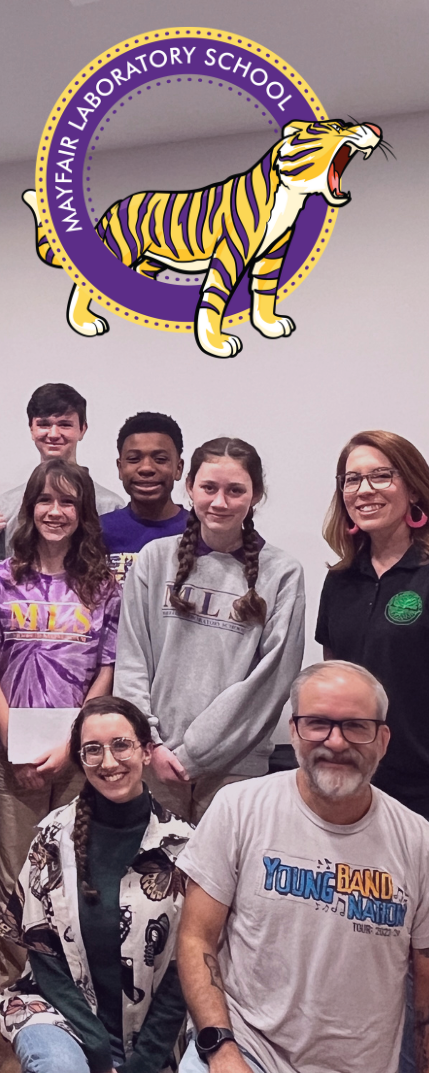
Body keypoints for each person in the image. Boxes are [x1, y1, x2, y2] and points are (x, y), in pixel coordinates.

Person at [175, 660, 429, 1073]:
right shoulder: (238, 808)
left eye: (357, 726)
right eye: (317, 723)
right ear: (293, 731)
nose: (336, 741)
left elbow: (425, 990)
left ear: (383, 739)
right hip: (245, 1049)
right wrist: (221, 1051)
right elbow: (195, 938)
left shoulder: (419, 841)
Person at [0, 695, 193, 1073]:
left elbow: (185, 969)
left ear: (147, 752)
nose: (108, 762)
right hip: (61, 1015)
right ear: (80, 758)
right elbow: (43, 954)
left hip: (156, 1032)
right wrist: (98, 1049)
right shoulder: (53, 837)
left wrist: (144, 1063)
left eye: (121, 745)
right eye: (92, 750)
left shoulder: (184, 846)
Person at [114, 437, 306, 822]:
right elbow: (132, 657)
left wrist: (195, 754)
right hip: (156, 756)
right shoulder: (155, 559)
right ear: (189, 487)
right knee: (152, 878)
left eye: (235, 490)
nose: (220, 502)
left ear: (255, 496)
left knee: (221, 882)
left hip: (235, 764)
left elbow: (270, 683)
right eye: (209, 488)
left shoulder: (282, 573)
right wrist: (148, 742)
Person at [0, 458, 121, 986]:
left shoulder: (103, 586)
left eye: (68, 502)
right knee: (16, 875)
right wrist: (14, 744)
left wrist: (71, 745)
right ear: (30, 507)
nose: (56, 512)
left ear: (83, 512)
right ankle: (16, 986)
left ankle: (66, 984)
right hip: (11, 752)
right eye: (45, 500)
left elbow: (107, 669)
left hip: (79, 756)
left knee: (71, 874)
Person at [317, 430, 429, 819]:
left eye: (381, 475)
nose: (364, 490)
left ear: (414, 490)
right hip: (351, 779)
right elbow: (333, 679)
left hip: (421, 787)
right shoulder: (340, 579)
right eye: (352, 479)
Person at [0, 383, 125, 570]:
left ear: (82, 429)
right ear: (32, 429)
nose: (54, 434)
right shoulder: (6, 506)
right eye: (44, 424)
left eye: (65, 424)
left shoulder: (110, 506)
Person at [101, 411, 188, 585]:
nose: (146, 468)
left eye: (160, 459)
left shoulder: (200, 531)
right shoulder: (98, 531)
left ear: (178, 468)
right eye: (134, 459)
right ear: (120, 468)